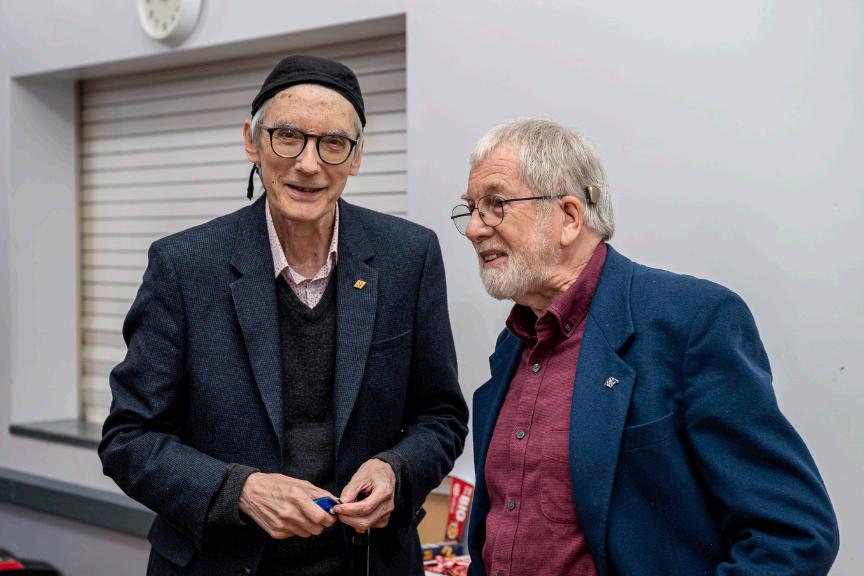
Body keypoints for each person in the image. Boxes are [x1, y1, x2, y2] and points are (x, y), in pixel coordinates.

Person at [99, 55, 468, 576]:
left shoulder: (408, 256)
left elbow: (441, 415)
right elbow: (128, 439)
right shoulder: (183, 266)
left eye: (333, 143)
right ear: (252, 142)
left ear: (357, 157)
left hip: (367, 563)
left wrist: (396, 470)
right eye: (288, 136)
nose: (309, 163)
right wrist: (240, 491)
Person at [456, 118, 839, 576]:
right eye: (471, 209)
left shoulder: (691, 321)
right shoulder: (514, 344)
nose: (474, 229)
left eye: (495, 205)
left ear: (570, 217)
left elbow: (793, 535)